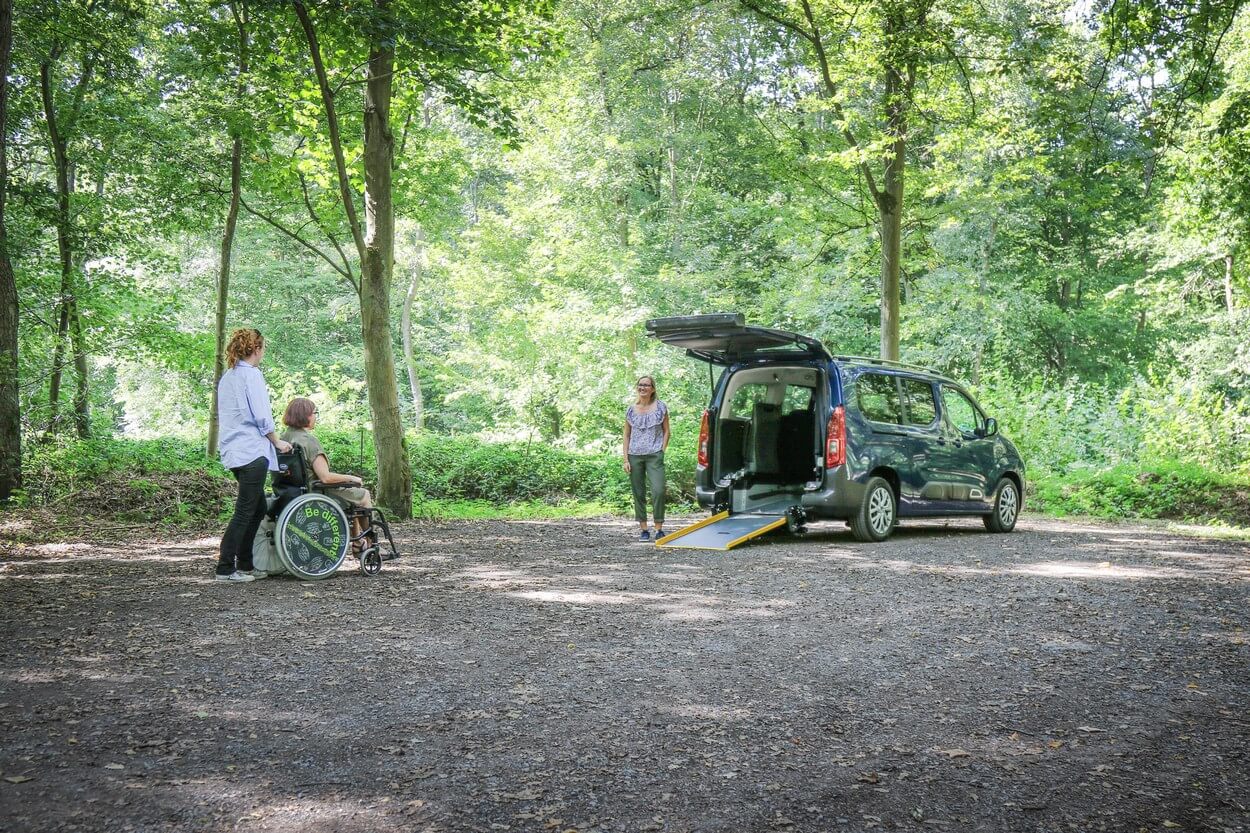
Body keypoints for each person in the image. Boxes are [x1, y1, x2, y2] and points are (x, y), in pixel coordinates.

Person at [215, 328, 292, 583]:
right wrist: (277, 442)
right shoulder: (252, 375)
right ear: (256, 349)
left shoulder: (229, 376)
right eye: (263, 348)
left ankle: (246, 565)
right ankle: (226, 568)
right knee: (245, 511)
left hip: (234, 452)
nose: (264, 353)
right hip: (251, 451)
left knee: (258, 507)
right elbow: (261, 415)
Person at [279, 397, 373, 548]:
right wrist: (353, 478)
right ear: (306, 415)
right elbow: (326, 477)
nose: (316, 416)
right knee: (362, 495)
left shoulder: (283, 438)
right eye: (315, 413)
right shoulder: (308, 441)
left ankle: (357, 542)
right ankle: (371, 544)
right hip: (316, 493)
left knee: (350, 496)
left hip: (292, 493)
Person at [623, 375, 671, 543]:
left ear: (653, 389)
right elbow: (626, 435)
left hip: (654, 455)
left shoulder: (660, 407)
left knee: (658, 490)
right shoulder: (630, 410)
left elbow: (667, 431)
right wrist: (625, 459)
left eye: (646, 385)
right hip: (634, 455)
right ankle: (644, 529)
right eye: (640, 384)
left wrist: (661, 450)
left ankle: (658, 528)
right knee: (638, 492)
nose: (642, 387)